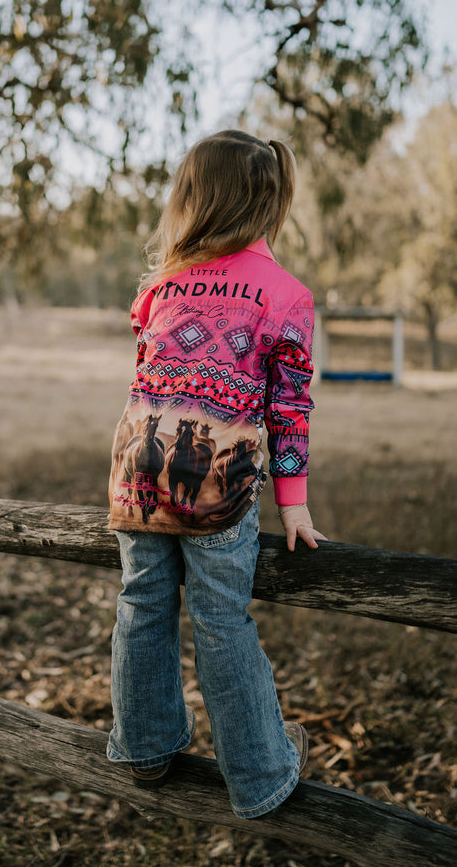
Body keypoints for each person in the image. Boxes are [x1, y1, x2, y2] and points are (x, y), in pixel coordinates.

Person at [106, 129, 327, 819]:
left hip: (135, 470)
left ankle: (142, 747)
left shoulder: (160, 287)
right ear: (269, 203)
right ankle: (261, 775)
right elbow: (289, 409)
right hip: (215, 483)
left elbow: (148, 381)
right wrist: (292, 503)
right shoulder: (285, 294)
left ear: (192, 200)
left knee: (142, 603)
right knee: (220, 618)